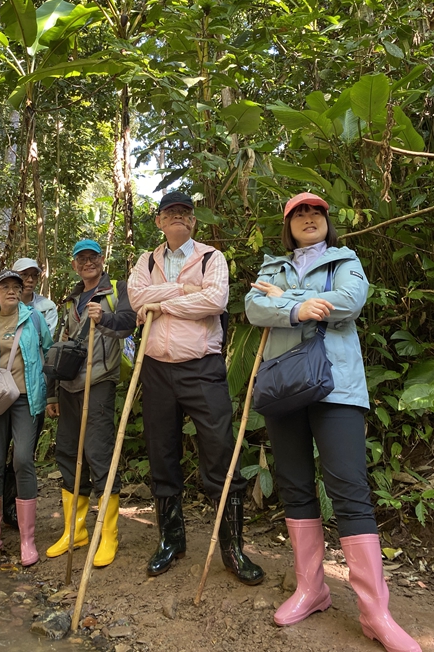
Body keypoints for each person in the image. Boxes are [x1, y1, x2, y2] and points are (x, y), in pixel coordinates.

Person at [245, 192, 421, 652]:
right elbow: (252, 308)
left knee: (348, 487)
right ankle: (311, 589)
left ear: (326, 222)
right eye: (299, 213)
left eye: (316, 212)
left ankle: (375, 611)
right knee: (296, 485)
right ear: (288, 225)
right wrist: (298, 306)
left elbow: (349, 302)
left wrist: (289, 300)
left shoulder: (346, 260)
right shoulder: (272, 267)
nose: (308, 217)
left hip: (337, 385)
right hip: (284, 388)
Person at [128, 190, 264, 584]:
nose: (178, 217)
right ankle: (172, 540)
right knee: (161, 452)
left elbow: (216, 300)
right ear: (158, 221)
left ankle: (233, 549)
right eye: (170, 212)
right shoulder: (145, 260)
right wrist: (184, 292)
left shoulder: (210, 257)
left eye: (184, 213)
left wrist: (161, 303)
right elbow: (136, 297)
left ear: (193, 221)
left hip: (202, 367)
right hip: (155, 368)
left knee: (220, 450)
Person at [45, 239, 136, 567]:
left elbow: (130, 322)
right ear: (74, 264)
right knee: (68, 452)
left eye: (93, 258)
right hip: (69, 386)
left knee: (98, 453)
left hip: (98, 383)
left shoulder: (116, 289)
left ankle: (108, 534)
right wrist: (52, 392)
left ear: (102, 259)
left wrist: (106, 317)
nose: (88, 263)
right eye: (81, 259)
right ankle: (76, 530)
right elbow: (62, 345)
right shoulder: (70, 298)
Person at [0, 270, 52, 566]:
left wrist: (50, 393)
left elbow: (49, 353)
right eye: (6, 287)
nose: (12, 291)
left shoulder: (35, 319)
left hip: (27, 398)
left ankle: (28, 539)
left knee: (23, 460)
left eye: (16, 287)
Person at [12, 257, 58, 336]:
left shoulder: (47, 307)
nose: (30, 280)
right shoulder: (2, 306)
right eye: (24, 274)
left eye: (34, 275)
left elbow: (46, 340)